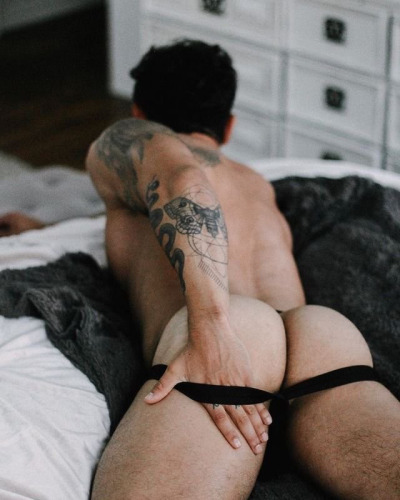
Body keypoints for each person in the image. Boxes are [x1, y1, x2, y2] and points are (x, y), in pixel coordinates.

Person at [86, 39, 400, 499]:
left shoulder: (131, 140)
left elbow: (184, 182)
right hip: (316, 335)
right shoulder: (256, 184)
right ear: (228, 126)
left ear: (139, 113)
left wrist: (211, 327)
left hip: (234, 333)